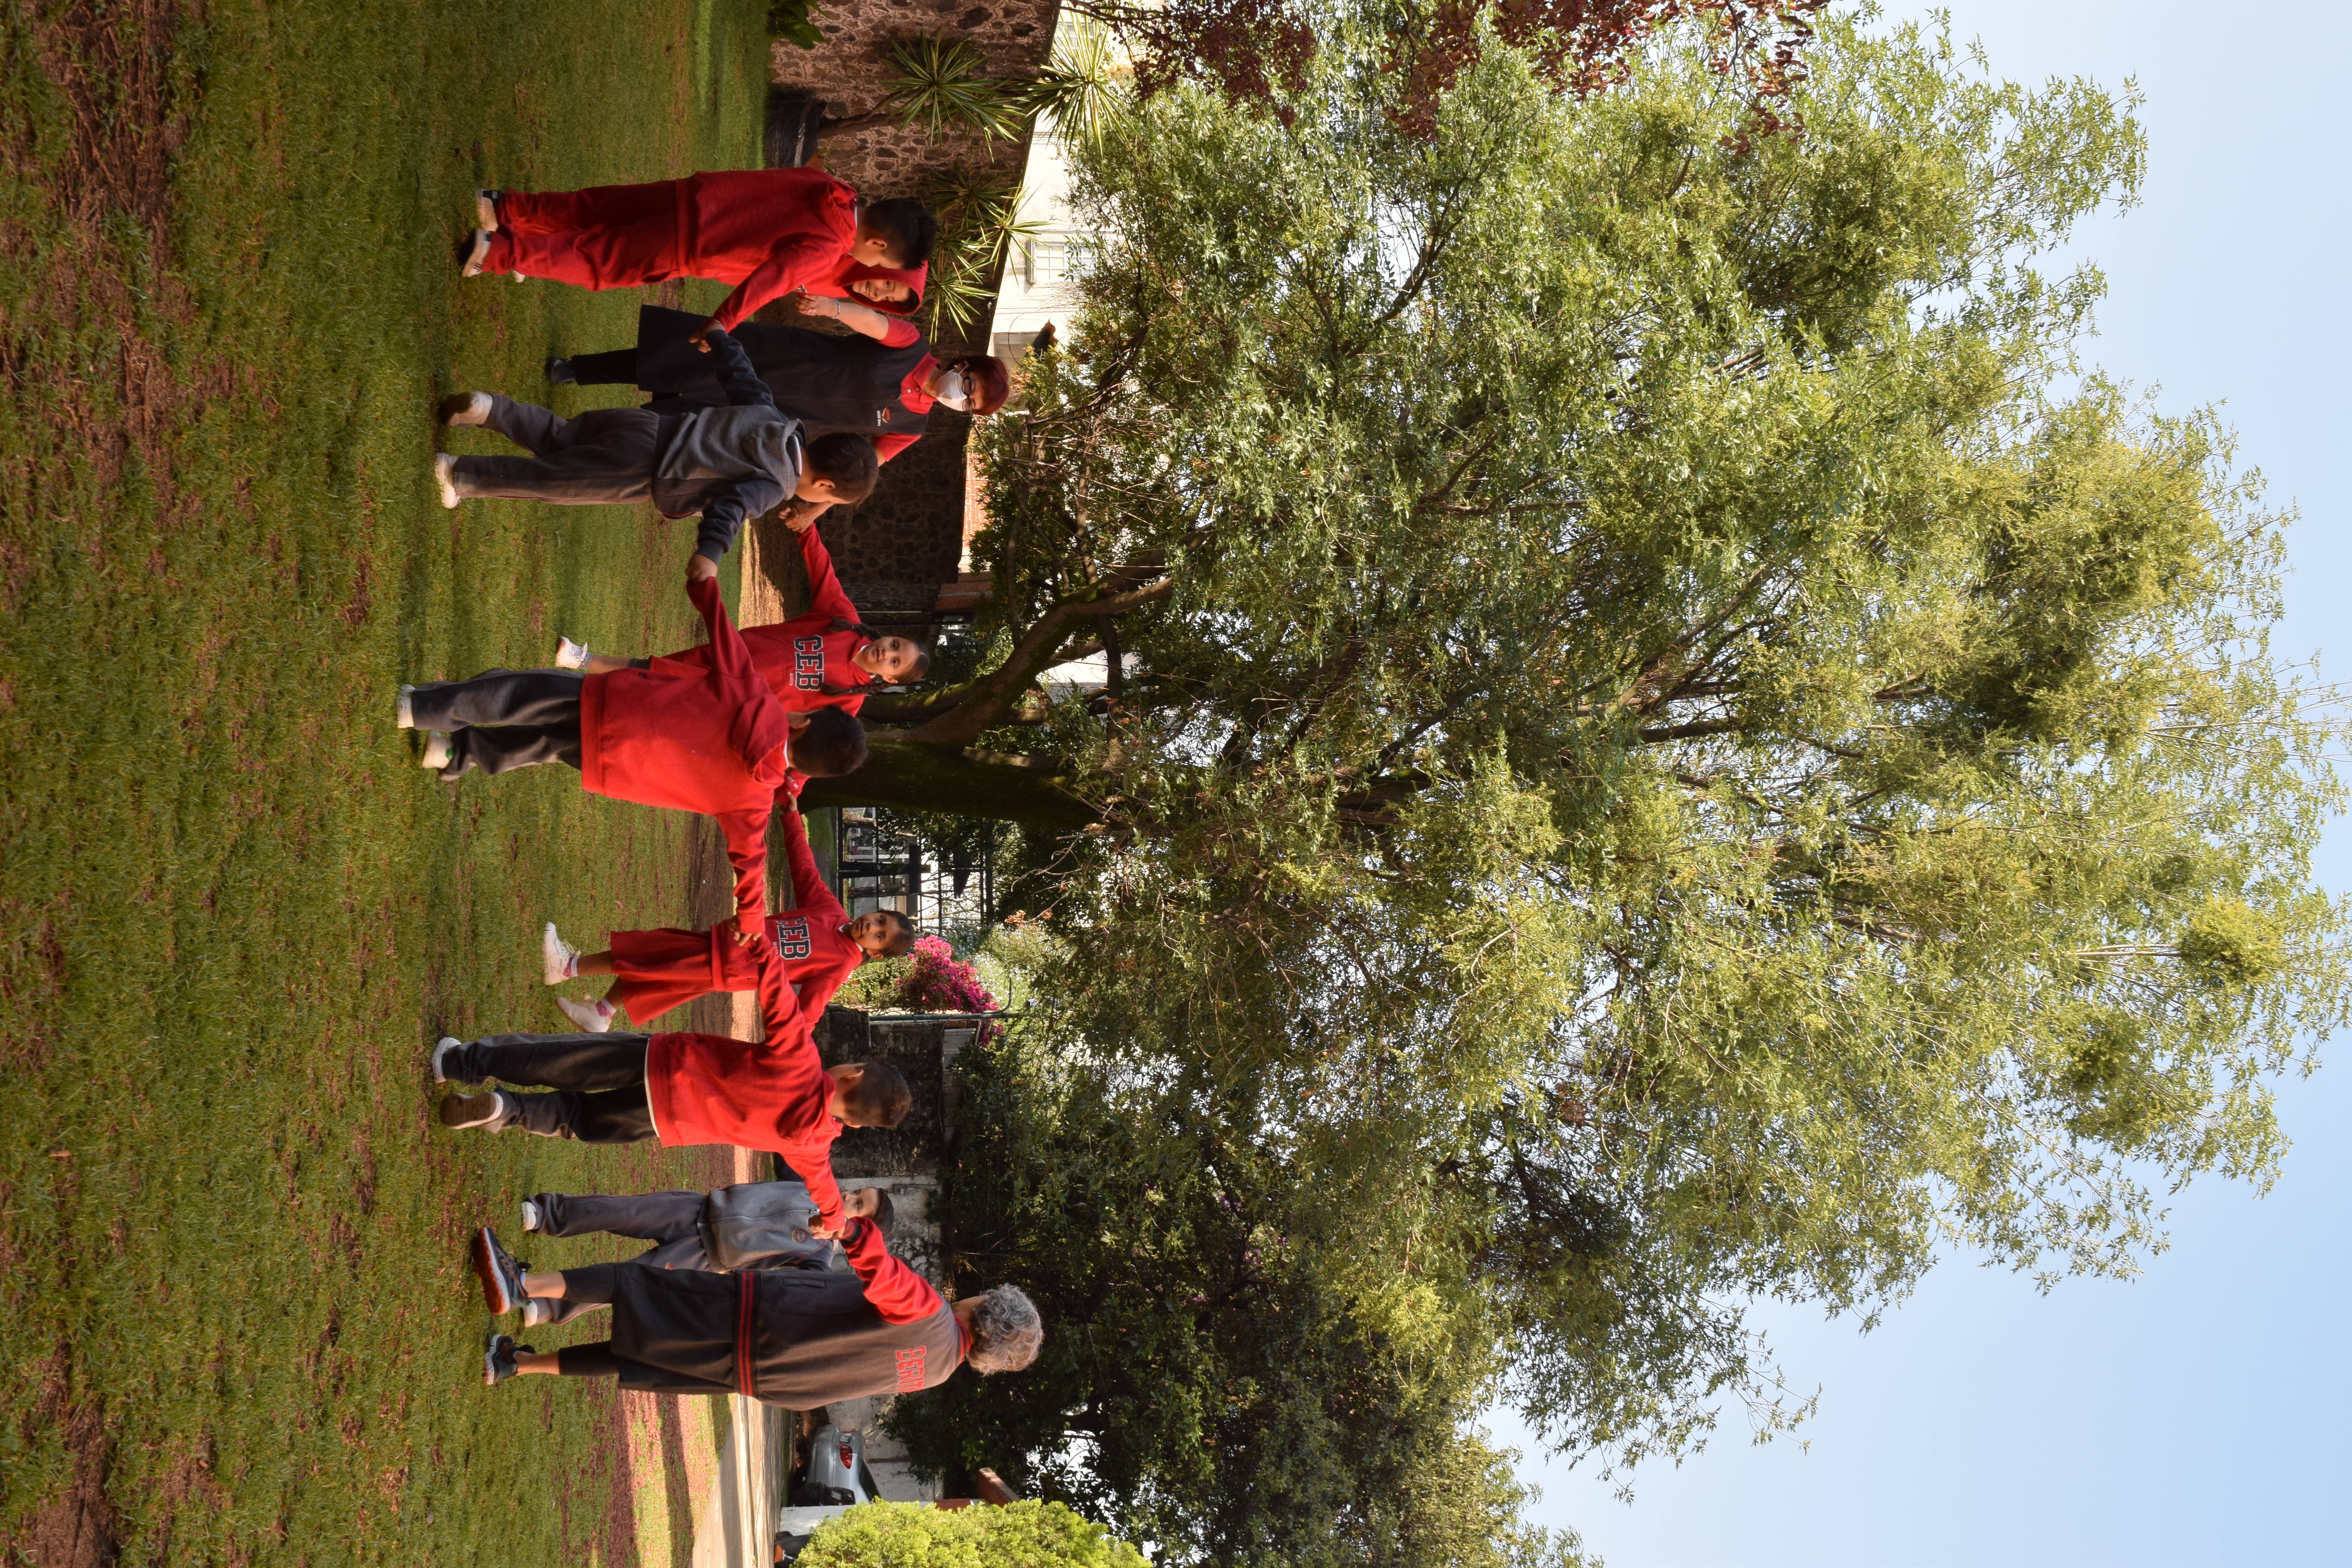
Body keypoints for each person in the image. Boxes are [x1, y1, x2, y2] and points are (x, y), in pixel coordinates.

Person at [395, 570, 862, 947]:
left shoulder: (755, 695)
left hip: (613, 702)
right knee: (543, 745)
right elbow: (751, 862)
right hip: (614, 766)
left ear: (802, 720)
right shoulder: (754, 803)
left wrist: (705, 584)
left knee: (520, 694)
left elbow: (727, 639)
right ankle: (453, 752)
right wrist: (752, 919)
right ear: (805, 769)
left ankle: (423, 710)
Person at [430, 935, 908, 1240]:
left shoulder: (803, 1059)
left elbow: (780, 996)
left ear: (854, 1074)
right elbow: (825, 1191)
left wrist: (761, 947)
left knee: (557, 1060)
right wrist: (835, 1222)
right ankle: (501, 1110)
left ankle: (459, 1061)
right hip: (666, 1123)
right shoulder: (814, 1145)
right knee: (575, 1119)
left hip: (660, 1062)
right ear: (856, 1120)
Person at [475, 1209, 1044, 1403]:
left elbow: (878, 1269)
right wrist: (817, 1266)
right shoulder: (938, 1371)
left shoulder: (933, 1312)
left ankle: (520, 1283)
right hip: (758, 1377)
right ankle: (515, 1364)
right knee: (638, 1357)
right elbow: (850, 1340)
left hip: (753, 1320)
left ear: (985, 1308)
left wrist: (846, 1224)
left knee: (638, 1285)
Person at [429, 325, 878, 568]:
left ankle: (489, 409)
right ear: (822, 484)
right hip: (641, 470)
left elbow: (744, 380)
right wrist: (710, 553)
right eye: (827, 499)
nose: (819, 502)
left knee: (560, 436)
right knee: (551, 480)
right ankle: (459, 473)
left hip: (650, 424)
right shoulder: (775, 484)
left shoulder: (781, 422)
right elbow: (732, 509)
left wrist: (721, 340)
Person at [541, 801, 914, 1031]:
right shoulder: (831, 912)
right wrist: (791, 815)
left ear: (875, 953)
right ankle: (602, 1012)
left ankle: (568, 966)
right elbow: (805, 870)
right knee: (655, 964)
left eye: (880, 937)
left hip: (729, 968)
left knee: (649, 954)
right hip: (725, 942)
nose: (873, 927)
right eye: (881, 920)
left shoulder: (838, 966)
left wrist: (788, 1045)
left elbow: (805, 1016)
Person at [548, 296, 1011, 465]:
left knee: (678, 418)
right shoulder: (910, 344)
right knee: (670, 362)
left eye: (970, 406)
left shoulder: (911, 427)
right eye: (969, 389)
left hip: (766, 409)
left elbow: (864, 464)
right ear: (962, 367)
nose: (961, 399)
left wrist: (817, 501)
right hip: (777, 358)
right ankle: (577, 371)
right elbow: (871, 321)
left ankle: (585, 434)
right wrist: (831, 308)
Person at [553, 507, 924, 715]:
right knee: (654, 668)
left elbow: (805, 731)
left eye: (894, 662)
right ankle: (581, 661)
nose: (887, 652)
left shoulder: (848, 701)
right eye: (894, 644)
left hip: (732, 696)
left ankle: (584, 697)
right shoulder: (845, 622)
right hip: (728, 648)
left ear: (890, 680)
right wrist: (806, 530)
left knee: (659, 697)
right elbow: (823, 572)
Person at [458, 173, 935, 333]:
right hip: (689, 245)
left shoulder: (836, 189)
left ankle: (503, 207)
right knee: (599, 261)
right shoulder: (831, 246)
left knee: (594, 209)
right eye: (881, 263)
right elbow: (770, 281)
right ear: (876, 243)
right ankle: (495, 251)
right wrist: (723, 322)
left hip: (692, 196)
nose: (870, 268)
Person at [503, 1181, 899, 1327]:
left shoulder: (819, 1254)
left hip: (705, 1259)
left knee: (627, 1280)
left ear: (860, 1229)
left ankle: (545, 1307)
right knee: (619, 1210)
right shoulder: (818, 1186)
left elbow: (811, 1286)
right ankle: (546, 1214)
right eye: (857, 1191)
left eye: (859, 1204)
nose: (849, 1197)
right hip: (696, 1209)